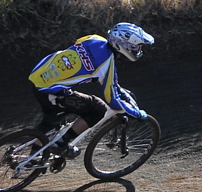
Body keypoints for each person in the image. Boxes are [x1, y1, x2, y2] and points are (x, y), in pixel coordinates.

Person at [27, 23, 154, 157]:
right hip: (49, 92)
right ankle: (60, 144)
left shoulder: (94, 39)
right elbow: (112, 99)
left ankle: (35, 152)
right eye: (137, 47)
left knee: (57, 116)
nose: (138, 50)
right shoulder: (106, 64)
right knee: (98, 108)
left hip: (39, 75)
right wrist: (136, 114)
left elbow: (79, 48)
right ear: (125, 46)